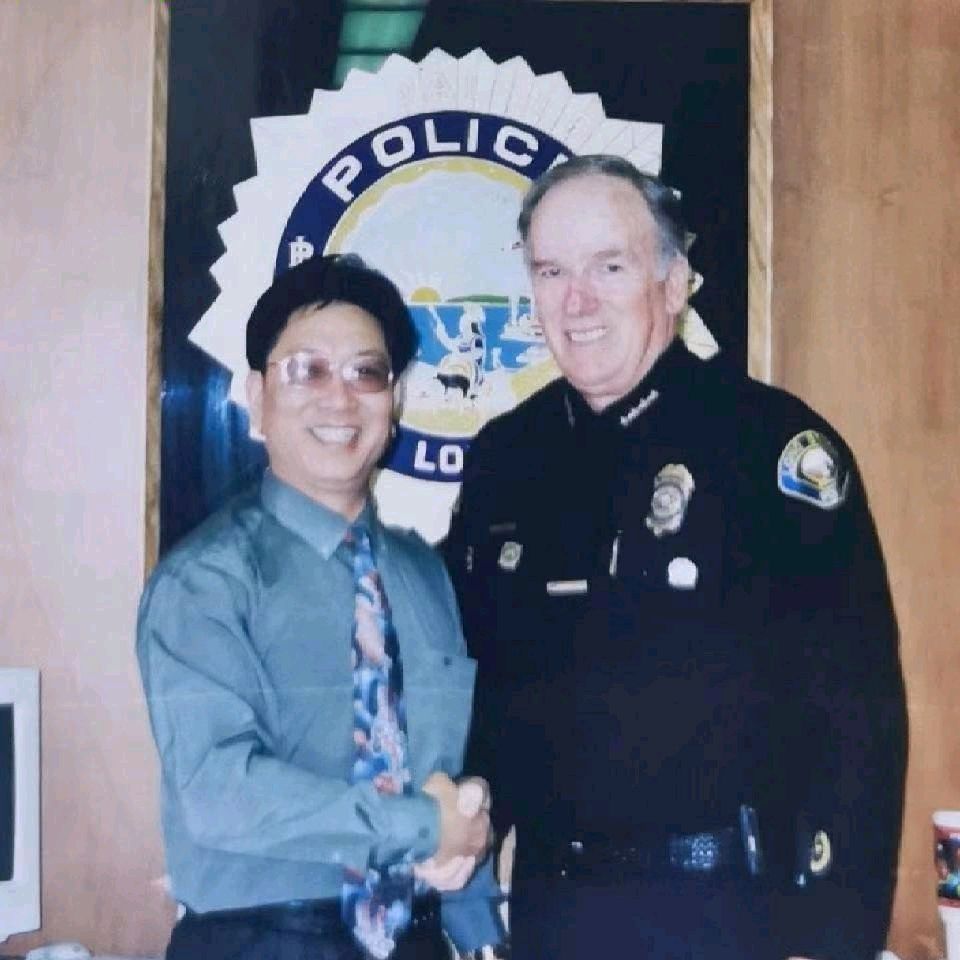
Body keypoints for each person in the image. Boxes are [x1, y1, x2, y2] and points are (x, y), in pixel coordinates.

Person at [443, 155, 908, 960]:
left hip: (726, 914)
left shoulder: (766, 447)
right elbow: (483, 690)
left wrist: (833, 937)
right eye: (551, 271)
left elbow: (856, 710)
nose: (577, 301)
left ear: (673, 282)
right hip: (555, 914)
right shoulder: (506, 460)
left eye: (609, 267)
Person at [138, 254, 506, 960]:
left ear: (395, 402)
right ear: (257, 396)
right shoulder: (205, 582)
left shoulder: (425, 576)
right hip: (262, 942)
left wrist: (481, 930)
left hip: (418, 940)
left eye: (367, 373)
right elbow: (219, 792)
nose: (340, 398)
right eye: (307, 370)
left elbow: (442, 779)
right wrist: (420, 827)